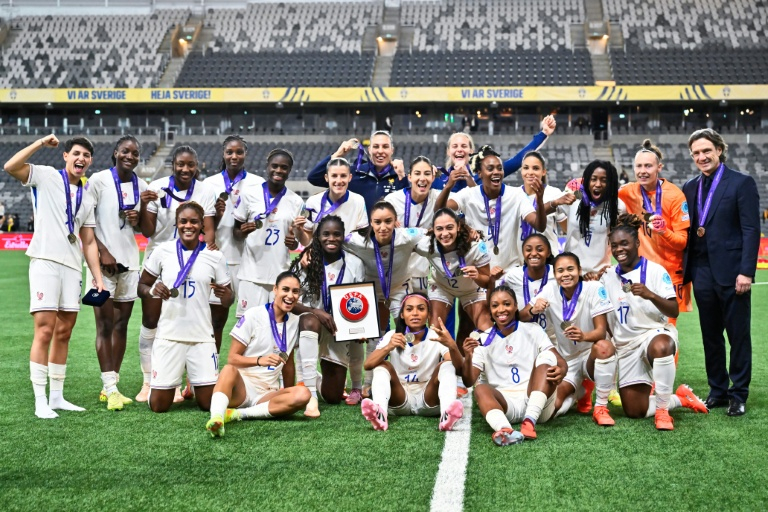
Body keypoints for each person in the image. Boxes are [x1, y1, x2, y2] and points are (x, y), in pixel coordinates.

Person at [4, 134, 104, 419]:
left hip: (72, 267)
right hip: (45, 261)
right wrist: (39, 143)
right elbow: (10, 167)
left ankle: (57, 397)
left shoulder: (87, 193)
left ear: (90, 161)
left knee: (64, 332)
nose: (81, 159)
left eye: (86, 155)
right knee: (45, 330)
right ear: (66, 156)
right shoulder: (46, 176)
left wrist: (96, 276)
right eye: (76, 153)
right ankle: (40, 400)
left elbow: (88, 240)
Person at [603, 214, 708, 430]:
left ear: (637, 243)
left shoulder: (655, 270)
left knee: (662, 345)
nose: (619, 249)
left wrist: (650, 294)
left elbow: (674, 310)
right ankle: (679, 399)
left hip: (654, 335)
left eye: (624, 243)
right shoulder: (608, 276)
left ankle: (662, 412)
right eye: (614, 245)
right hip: (627, 346)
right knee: (635, 411)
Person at [682, 128, 760, 416]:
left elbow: (751, 230)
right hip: (701, 271)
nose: (702, 157)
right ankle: (717, 390)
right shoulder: (690, 187)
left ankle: (738, 394)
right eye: (696, 153)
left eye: (706, 150)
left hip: (733, 272)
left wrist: (746, 272)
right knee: (710, 336)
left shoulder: (741, 182)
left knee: (738, 336)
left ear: (719, 150)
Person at [135, 145, 217, 402]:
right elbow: (147, 231)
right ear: (172, 164)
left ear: (197, 166)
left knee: (189, 319)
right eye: (180, 164)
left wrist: (209, 259)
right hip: (160, 259)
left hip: (192, 262)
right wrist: (144, 204)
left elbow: (209, 231)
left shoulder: (205, 191)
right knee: (151, 321)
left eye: (190, 164)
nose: (185, 169)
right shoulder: (157, 187)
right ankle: (148, 381)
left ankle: (191, 379)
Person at [137, 201, 233, 413]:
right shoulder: (162, 251)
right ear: (176, 223)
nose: (188, 226)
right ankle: (163, 385)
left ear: (202, 225)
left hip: (202, 338)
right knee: (159, 406)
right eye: (183, 221)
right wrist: (152, 290)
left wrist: (227, 296)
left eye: (193, 222)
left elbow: (228, 299)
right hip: (168, 336)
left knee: (207, 404)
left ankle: (193, 383)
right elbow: (141, 286)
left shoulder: (215, 256)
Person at [205, 272, 310, 437]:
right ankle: (216, 418)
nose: (290, 295)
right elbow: (232, 358)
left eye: (295, 291)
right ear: (275, 289)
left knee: (303, 394)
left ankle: (237, 414)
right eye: (285, 289)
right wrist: (259, 360)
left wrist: (288, 393)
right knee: (228, 369)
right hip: (243, 387)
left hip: (268, 392)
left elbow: (288, 363)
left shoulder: (294, 322)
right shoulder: (253, 315)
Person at [342, 201, 427, 404]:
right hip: (369, 291)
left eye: (388, 221)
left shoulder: (406, 236)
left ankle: (410, 376)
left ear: (396, 221)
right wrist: (308, 252)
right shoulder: (357, 239)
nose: (383, 227)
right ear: (370, 223)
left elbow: (432, 233)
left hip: (398, 288)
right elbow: (332, 240)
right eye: (377, 222)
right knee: (372, 337)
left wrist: (469, 232)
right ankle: (366, 384)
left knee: (407, 331)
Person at [520, 252, 617, 426]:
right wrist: (533, 310)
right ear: (554, 274)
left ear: (579, 270)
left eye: (570, 269)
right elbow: (521, 316)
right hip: (568, 360)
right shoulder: (550, 289)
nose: (565, 274)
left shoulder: (593, 288)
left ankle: (600, 407)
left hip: (591, 355)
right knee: (550, 410)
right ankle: (578, 393)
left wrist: (584, 336)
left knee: (604, 346)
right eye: (560, 271)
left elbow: (601, 332)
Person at [86, 135, 148, 410]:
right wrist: (102, 251)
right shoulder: (98, 180)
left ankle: (111, 385)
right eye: (125, 151)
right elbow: (85, 222)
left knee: (121, 325)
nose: (130, 156)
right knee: (105, 325)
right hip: (102, 266)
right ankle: (110, 389)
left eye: (135, 153)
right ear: (115, 152)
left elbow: (144, 228)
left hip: (130, 264)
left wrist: (139, 218)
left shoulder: (141, 186)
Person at [462, 285, 567, 445]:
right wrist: (468, 356)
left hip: (536, 400)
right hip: (505, 403)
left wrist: (562, 370)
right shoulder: (482, 340)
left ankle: (529, 422)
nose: (501, 309)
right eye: (495, 305)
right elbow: (469, 381)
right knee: (480, 388)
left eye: (507, 304)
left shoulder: (533, 329)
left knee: (547, 356)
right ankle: (505, 430)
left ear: (516, 306)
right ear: (490, 310)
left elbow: (560, 361)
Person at [289, 215, 365, 417]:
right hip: (309, 324)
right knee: (309, 320)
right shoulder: (306, 261)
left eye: (336, 234)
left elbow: (359, 300)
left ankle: (311, 376)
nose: (331, 238)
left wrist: (360, 327)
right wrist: (316, 311)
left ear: (343, 236)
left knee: (332, 396)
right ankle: (310, 393)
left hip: (338, 329)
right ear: (317, 237)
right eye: (326, 234)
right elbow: (290, 302)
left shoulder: (355, 263)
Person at [360, 294, 464, 432]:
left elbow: (459, 368)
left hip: (428, 397)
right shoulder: (392, 335)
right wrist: (388, 347)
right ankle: (380, 413)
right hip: (399, 396)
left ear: (429, 314)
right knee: (382, 365)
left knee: (447, 364)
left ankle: (446, 414)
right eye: (409, 309)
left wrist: (452, 346)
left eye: (421, 309)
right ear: (402, 315)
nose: (415, 313)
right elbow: (367, 365)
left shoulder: (436, 336)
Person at [436, 144, 548, 272]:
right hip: (479, 271)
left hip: (510, 271)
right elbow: (439, 211)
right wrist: (448, 186)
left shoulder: (516, 195)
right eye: (490, 168)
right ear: (480, 173)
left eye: (499, 168)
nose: (496, 172)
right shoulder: (468, 194)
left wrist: (539, 201)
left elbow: (539, 225)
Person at [618, 139, 691, 322]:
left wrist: (664, 231)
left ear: (659, 167)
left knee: (667, 329)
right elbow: (601, 188)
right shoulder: (627, 192)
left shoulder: (675, 196)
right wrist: (579, 183)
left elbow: (682, 242)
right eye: (639, 166)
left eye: (648, 166)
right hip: (639, 271)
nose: (642, 171)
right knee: (637, 325)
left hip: (668, 274)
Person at [204, 135, 263, 352]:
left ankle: (249, 369)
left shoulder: (258, 183)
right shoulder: (209, 184)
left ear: (246, 154)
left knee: (250, 322)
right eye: (229, 152)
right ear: (223, 154)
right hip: (218, 257)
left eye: (239, 152)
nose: (234, 156)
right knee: (216, 320)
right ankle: (210, 366)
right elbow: (202, 223)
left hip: (249, 260)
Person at [233, 149, 304, 317]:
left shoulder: (296, 201)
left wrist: (293, 243)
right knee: (248, 325)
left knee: (277, 324)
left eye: (284, 167)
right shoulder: (249, 194)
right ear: (267, 167)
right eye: (275, 166)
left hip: (280, 275)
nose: (278, 170)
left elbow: (295, 241)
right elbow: (236, 233)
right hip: (251, 274)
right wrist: (243, 232)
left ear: (289, 170)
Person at [415, 207, 494, 333]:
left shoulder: (476, 246)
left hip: (472, 290)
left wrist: (477, 276)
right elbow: (401, 240)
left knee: (487, 331)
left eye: (449, 227)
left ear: (458, 227)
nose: (445, 234)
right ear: (433, 230)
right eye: (439, 229)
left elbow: (487, 282)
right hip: (442, 288)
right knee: (435, 331)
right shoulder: (427, 245)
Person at [432, 115, 557, 193]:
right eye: (455, 146)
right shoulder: (437, 178)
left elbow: (518, 160)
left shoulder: (486, 174)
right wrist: (427, 173)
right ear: (448, 151)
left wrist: (544, 133)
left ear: (471, 151)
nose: (459, 149)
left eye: (464, 146)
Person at [308, 131, 407, 215]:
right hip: (356, 231)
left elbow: (407, 206)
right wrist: (337, 155)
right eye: (376, 146)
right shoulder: (354, 173)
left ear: (392, 150)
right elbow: (314, 178)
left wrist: (402, 176)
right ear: (369, 150)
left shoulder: (399, 177)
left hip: (385, 231)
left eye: (385, 147)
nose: (380, 151)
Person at [384, 155, 441, 298]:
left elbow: (468, 199)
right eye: (417, 173)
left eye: (427, 174)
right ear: (409, 177)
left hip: (425, 271)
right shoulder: (392, 201)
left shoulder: (440, 198)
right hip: (398, 269)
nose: (422, 178)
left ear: (433, 177)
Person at [560, 160, 624, 280]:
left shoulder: (618, 206)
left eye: (604, 180)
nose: (598, 184)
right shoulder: (573, 200)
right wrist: (554, 204)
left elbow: (620, 241)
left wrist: (608, 271)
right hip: (571, 273)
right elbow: (549, 213)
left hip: (600, 275)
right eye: (593, 179)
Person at [297, 157, 368, 247]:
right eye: (334, 176)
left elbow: (362, 236)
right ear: (326, 178)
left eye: (343, 176)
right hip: (320, 255)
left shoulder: (359, 200)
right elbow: (306, 242)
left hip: (348, 254)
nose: (339, 181)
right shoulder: (312, 202)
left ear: (350, 177)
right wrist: (299, 231)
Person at [498, 233, 556, 341]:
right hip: (522, 337)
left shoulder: (557, 273)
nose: (533, 253)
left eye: (540, 249)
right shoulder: (513, 275)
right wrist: (492, 280)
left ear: (548, 252)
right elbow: (494, 296)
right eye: (528, 250)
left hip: (552, 337)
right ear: (523, 253)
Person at [517, 151, 574, 255]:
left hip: (549, 259)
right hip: (521, 260)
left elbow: (568, 229)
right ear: (521, 171)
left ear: (543, 172)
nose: (530, 172)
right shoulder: (514, 195)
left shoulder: (554, 193)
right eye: (526, 168)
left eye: (535, 168)